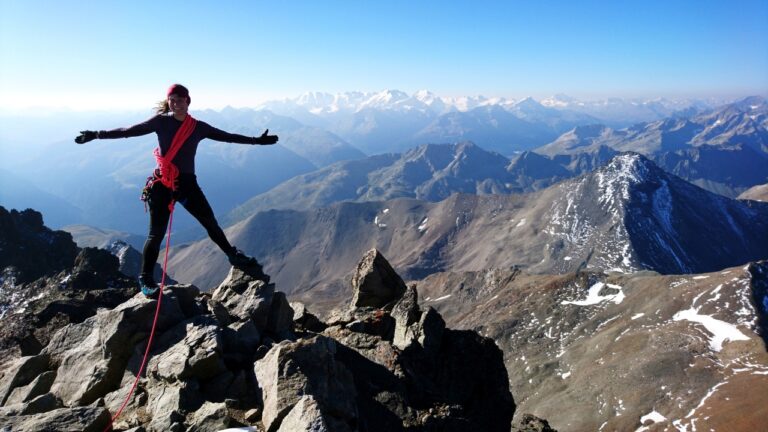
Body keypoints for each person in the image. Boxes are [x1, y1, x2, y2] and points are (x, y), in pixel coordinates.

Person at [74, 84, 277, 297]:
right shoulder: (161, 122)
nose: (176, 103)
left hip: (187, 184)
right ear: (168, 102)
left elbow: (227, 136)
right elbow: (129, 131)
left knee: (210, 222)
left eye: (180, 99)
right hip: (163, 183)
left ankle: (232, 255)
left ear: (188, 102)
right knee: (156, 234)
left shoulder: (198, 127)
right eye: (172, 99)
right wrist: (96, 134)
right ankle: (145, 278)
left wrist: (257, 141)